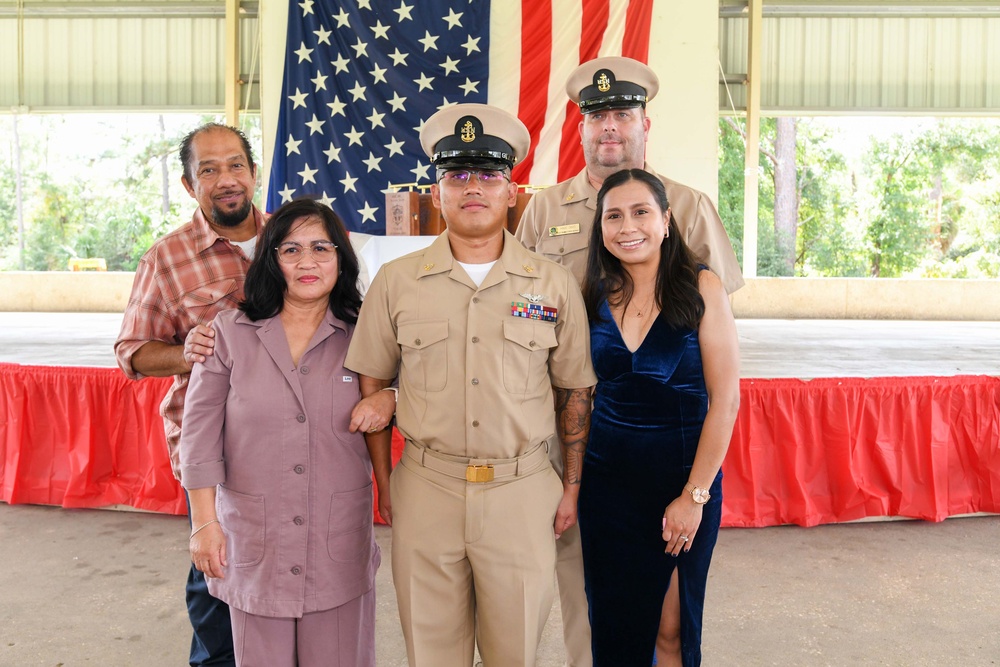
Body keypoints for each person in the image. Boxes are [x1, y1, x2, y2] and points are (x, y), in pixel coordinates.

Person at [344, 103, 597, 667]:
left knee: (515, 656)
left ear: (512, 192)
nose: (473, 188)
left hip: (522, 491)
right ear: (437, 193)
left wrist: (571, 488)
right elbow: (372, 385)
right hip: (426, 490)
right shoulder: (396, 283)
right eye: (457, 175)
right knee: (431, 655)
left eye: (489, 175)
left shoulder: (552, 284)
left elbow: (574, 393)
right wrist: (388, 488)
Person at [514, 55, 744, 667]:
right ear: (580, 129)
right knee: (588, 598)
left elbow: (713, 337)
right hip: (574, 437)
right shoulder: (544, 208)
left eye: (621, 113)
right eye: (596, 116)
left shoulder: (688, 205)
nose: (608, 126)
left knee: (669, 620)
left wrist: (695, 490)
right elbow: (526, 308)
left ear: (645, 124)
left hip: (670, 448)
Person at [178, 199, 392, 666]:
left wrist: (391, 395)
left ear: (342, 258)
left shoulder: (366, 332)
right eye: (291, 250)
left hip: (335, 541)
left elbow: (422, 385)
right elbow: (197, 434)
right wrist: (204, 523)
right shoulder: (229, 332)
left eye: (321, 247)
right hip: (255, 541)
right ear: (271, 260)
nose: (308, 261)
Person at [115, 122, 266, 667]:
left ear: (253, 172)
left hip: (294, 447)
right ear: (188, 184)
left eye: (234, 165)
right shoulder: (167, 258)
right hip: (216, 453)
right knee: (217, 585)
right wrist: (191, 350)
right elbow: (131, 352)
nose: (225, 179)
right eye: (208, 169)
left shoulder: (297, 240)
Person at [577, 168, 740, 666]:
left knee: (669, 629)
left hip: (682, 485)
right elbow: (577, 396)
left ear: (667, 220)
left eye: (642, 212)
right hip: (605, 493)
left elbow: (725, 400)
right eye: (614, 216)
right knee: (614, 630)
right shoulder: (591, 295)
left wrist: (694, 498)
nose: (628, 226)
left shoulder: (701, 287)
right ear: (601, 227)